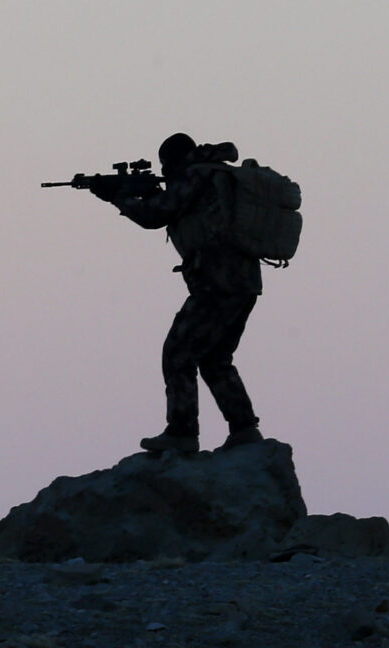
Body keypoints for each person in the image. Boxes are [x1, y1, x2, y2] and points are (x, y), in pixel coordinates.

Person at [91, 133, 264, 453]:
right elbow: (179, 208)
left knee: (178, 353)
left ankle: (182, 433)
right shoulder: (213, 174)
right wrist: (145, 192)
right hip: (242, 283)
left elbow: (155, 215)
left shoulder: (196, 175)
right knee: (214, 359)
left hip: (216, 283)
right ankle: (244, 430)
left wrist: (118, 196)